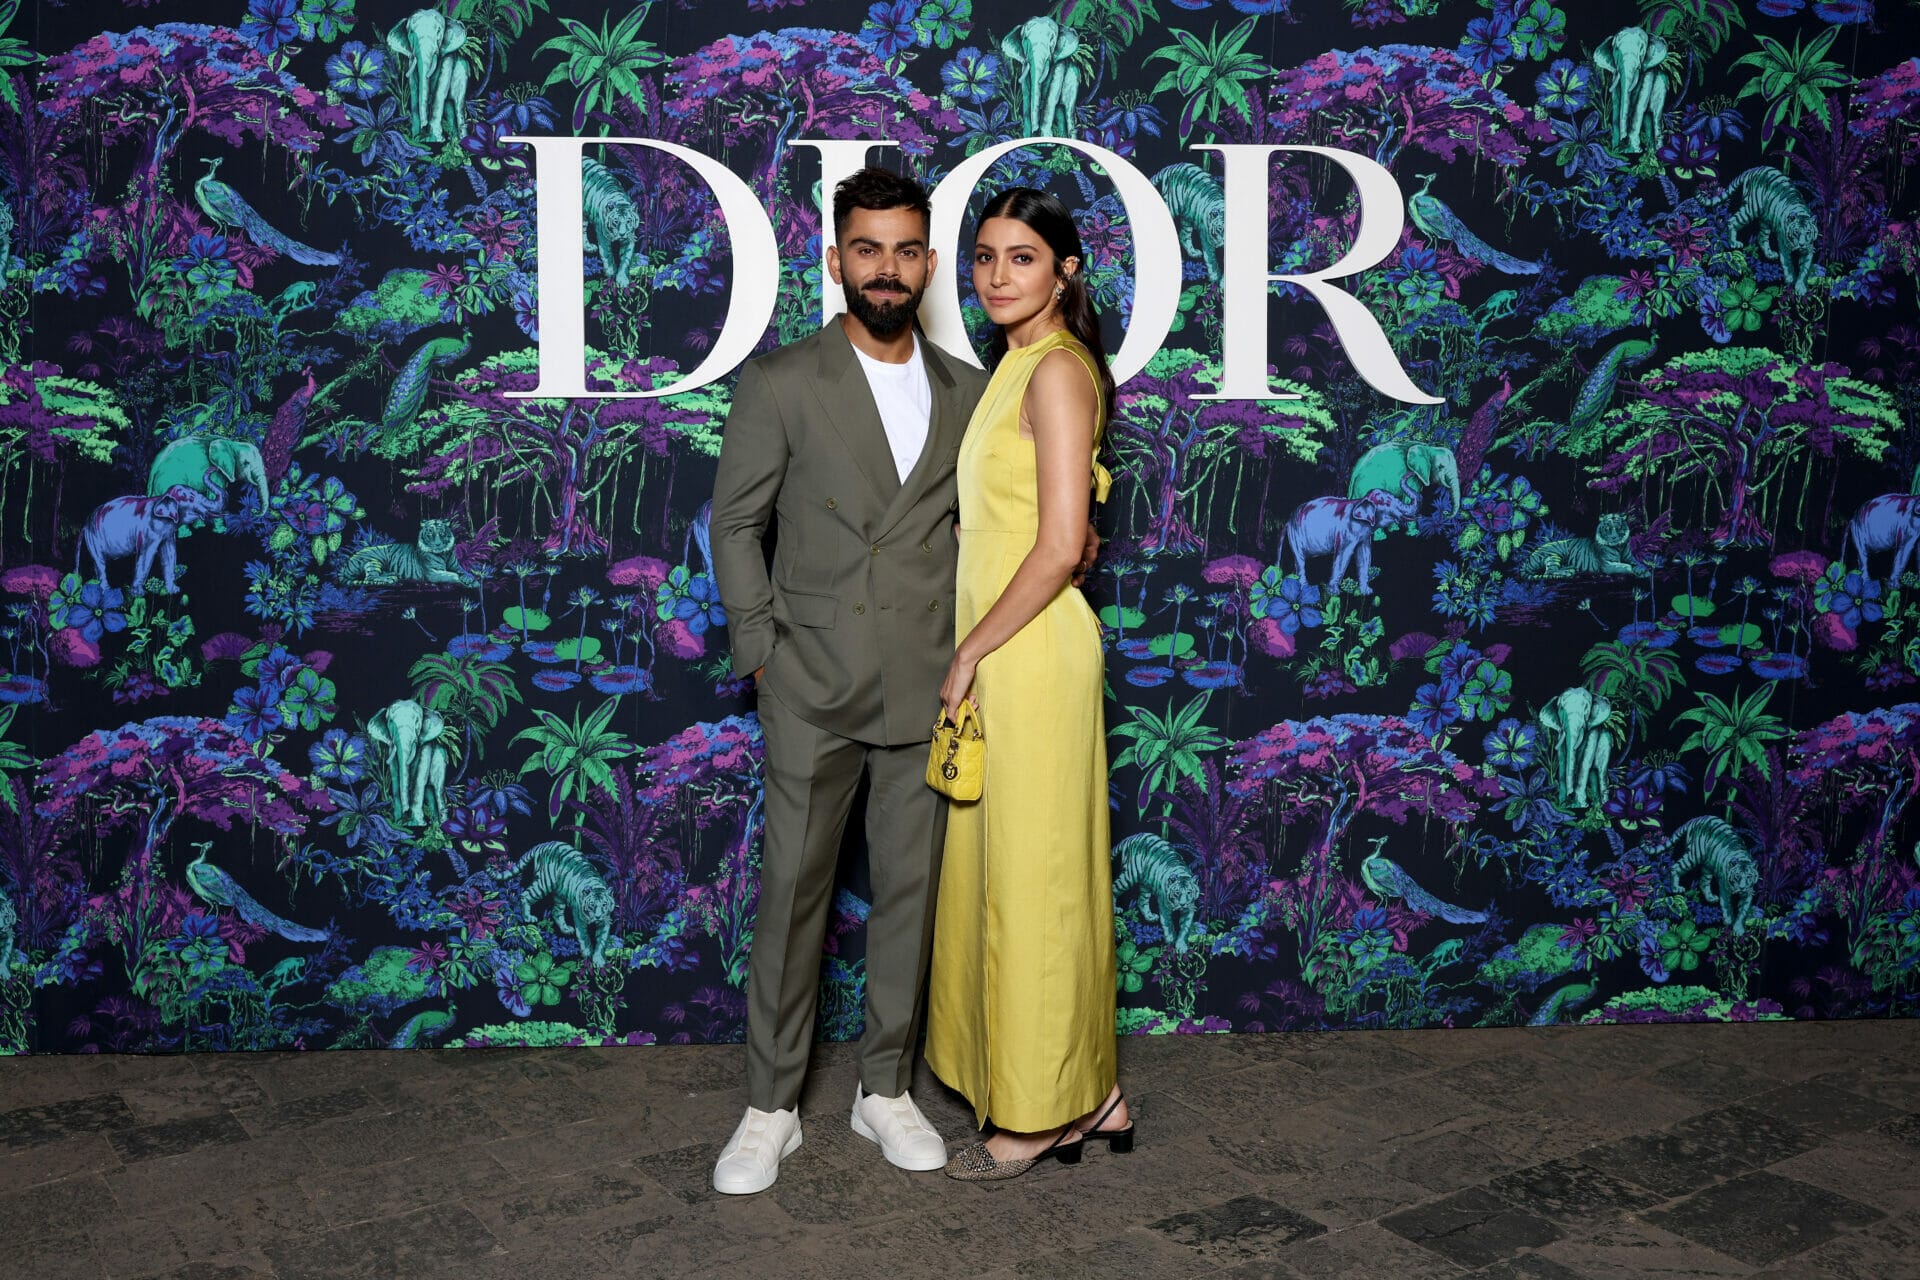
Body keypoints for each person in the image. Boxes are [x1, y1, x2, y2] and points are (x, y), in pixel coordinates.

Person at [707, 169, 1097, 1195]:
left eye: (908, 250)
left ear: (928, 265)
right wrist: (763, 656)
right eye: (868, 249)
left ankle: (883, 1087)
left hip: (932, 689)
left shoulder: (974, 390)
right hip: (811, 684)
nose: (888, 268)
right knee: (792, 898)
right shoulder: (782, 381)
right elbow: (735, 526)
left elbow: (1018, 515)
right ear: (836, 260)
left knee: (912, 901)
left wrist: (1077, 536)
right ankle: (771, 1106)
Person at [925, 188, 1132, 1182]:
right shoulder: (1016, 365)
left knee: (1037, 883)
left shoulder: (1053, 370)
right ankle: (1095, 1095)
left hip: (1030, 654)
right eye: (985, 256)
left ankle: (1044, 1113)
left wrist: (968, 651)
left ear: (1064, 272)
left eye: (1022, 257)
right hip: (1010, 644)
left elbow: (1056, 544)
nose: (997, 275)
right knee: (1011, 874)